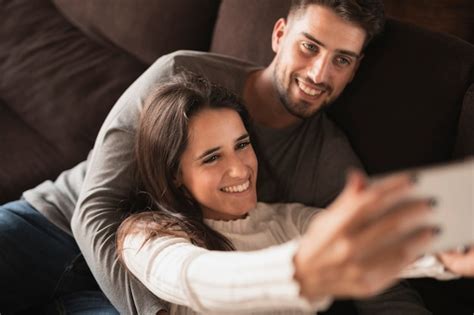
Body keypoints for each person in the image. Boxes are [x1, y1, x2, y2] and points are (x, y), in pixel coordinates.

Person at [0, 0, 442, 314]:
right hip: (56, 223)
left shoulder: (330, 163)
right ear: (280, 34)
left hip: (143, 284)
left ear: (356, 66)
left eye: (341, 59)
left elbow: (379, 273)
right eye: (310, 46)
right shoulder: (178, 74)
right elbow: (93, 209)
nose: (318, 74)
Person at [115, 71, 437, 314]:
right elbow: (194, 277)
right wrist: (303, 271)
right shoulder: (147, 236)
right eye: (212, 157)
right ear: (176, 174)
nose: (240, 170)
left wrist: (445, 256)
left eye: (242, 145)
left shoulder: (290, 220)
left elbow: (375, 243)